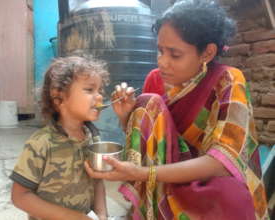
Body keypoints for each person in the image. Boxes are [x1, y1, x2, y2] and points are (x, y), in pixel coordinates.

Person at [85, 0, 269, 219]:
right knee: (147, 102)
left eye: (175, 54)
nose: (162, 62)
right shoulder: (155, 79)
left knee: (232, 199)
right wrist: (126, 116)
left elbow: (223, 163)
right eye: (160, 50)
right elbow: (150, 144)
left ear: (207, 53)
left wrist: (144, 174)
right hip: (163, 180)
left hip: (208, 184)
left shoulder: (227, 80)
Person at [10, 56, 109, 220]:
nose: (99, 97)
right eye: (90, 90)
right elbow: (20, 196)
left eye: (100, 91)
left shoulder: (93, 138)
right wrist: (74, 217)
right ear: (59, 97)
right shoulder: (41, 144)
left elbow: (98, 181)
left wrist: (102, 215)